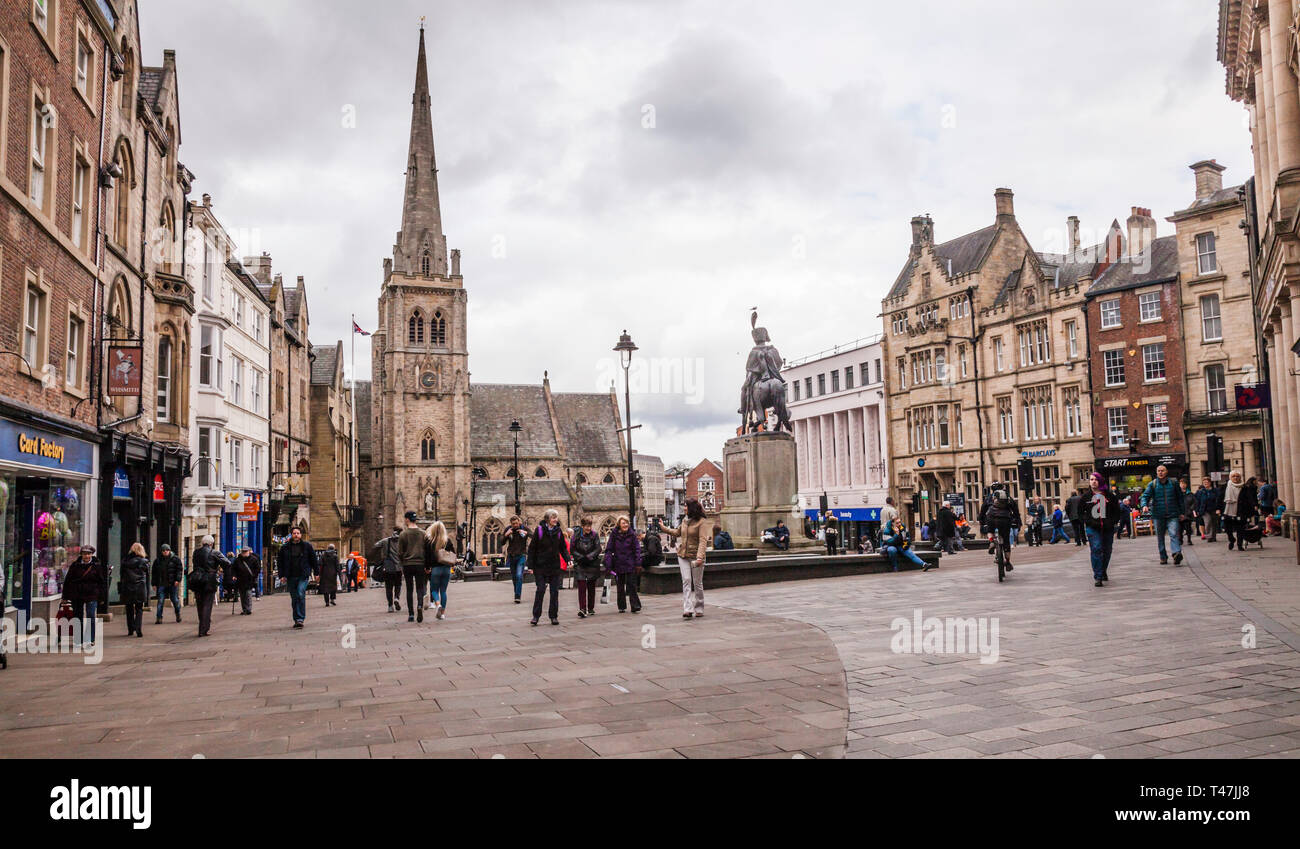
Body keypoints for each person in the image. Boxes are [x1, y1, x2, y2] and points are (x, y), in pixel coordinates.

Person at [661, 498, 709, 619]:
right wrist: (664, 528)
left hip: (696, 556)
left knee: (697, 583)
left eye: (686, 506)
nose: (684, 508)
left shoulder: (702, 522)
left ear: (692, 508)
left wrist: (699, 558)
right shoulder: (684, 520)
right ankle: (687, 609)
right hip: (683, 555)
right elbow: (677, 532)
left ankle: (699, 607)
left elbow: (703, 541)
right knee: (686, 580)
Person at [527, 508, 570, 625]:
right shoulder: (539, 531)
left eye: (556, 517)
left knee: (554, 592)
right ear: (547, 519)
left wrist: (568, 559)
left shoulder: (559, 531)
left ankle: (553, 616)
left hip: (554, 566)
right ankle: (536, 616)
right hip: (540, 566)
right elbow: (532, 549)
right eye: (553, 517)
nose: (555, 520)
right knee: (540, 590)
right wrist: (530, 566)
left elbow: (563, 548)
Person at [1140, 464, 1184, 566]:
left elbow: (1180, 499)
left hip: (1173, 514)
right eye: (1159, 471)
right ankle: (1163, 557)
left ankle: (1176, 553)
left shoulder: (1173, 483)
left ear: (1166, 472)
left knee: (1174, 534)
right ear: (1156, 472)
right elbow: (1144, 496)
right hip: (1158, 515)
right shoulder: (1153, 484)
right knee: (1160, 537)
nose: (1160, 472)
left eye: (1162, 470)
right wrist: (1144, 505)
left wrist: (1182, 512)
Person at [1084, 472, 1122, 587]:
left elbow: (1117, 511)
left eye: (1096, 479)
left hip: (1107, 527)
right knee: (1096, 548)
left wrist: (1112, 522)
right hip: (1093, 528)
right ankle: (1098, 576)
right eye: (1091, 479)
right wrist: (1088, 522)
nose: (1093, 481)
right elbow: (1081, 512)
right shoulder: (1086, 497)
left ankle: (1103, 569)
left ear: (1100, 481)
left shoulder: (1110, 496)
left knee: (1107, 550)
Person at [62, 545, 105, 646]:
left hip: (91, 594)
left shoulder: (96, 566)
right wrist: (65, 596)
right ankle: (78, 640)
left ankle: (90, 639)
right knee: (78, 617)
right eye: (85, 554)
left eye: (89, 554)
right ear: (81, 555)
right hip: (77, 594)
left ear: (91, 554)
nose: (87, 556)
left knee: (90, 615)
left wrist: (102, 597)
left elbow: (102, 582)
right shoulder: (75, 565)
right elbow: (67, 581)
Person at [275, 526, 318, 628]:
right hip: (291, 576)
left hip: (303, 575)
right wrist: (282, 575)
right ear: (291, 535)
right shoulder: (285, 547)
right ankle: (297, 620)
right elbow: (280, 562)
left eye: (298, 533)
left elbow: (314, 560)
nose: (296, 535)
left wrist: (316, 573)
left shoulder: (307, 546)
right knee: (294, 598)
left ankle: (300, 618)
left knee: (300, 593)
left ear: (301, 535)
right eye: (294, 533)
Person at [604, 515, 643, 614]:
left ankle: (635, 605)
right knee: (620, 586)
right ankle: (621, 606)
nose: (625, 525)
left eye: (626, 523)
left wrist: (638, 563)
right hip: (618, 563)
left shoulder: (632, 534)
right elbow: (609, 549)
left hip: (630, 563)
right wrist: (608, 564)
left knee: (631, 585)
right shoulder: (614, 535)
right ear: (619, 525)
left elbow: (637, 549)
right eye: (623, 523)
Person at [189, 536, 227, 638]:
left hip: (197, 579)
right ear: (211, 543)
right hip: (209, 580)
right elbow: (227, 562)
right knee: (207, 604)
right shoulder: (214, 552)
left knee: (200, 604)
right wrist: (218, 568)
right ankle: (203, 629)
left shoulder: (196, 552)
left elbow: (194, 563)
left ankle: (202, 626)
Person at [398, 511, 429, 622]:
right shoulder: (423, 533)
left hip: (407, 564)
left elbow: (400, 552)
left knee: (409, 589)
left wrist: (402, 563)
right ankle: (420, 606)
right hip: (420, 564)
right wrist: (427, 565)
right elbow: (427, 550)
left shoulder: (403, 534)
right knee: (420, 588)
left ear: (407, 519)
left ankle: (411, 614)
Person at [977, 488, 1019, 571]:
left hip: (992, 517)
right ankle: (1007, 562)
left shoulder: (990, 498)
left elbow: (982, 511)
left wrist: (981, 521)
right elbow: (1016, 512)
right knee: (1006, 541)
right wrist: (1016, 521)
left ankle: (992, 541)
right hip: (1005, 519)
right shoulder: (1009, 499)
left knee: (990, 530)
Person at [570, 517, 603, 618]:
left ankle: (591, 607)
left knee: (591, 586)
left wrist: (589, 556)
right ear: (582, 526)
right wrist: (580, 557)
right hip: (580, 563)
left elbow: (598, 548)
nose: (588, 528)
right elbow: (572, 549)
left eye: (590, 526)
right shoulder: (575, 536)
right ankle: (583, 608)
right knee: (582, 585)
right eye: (586, 526)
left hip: (592, 563)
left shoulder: (594, 535)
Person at [424, 520, 456, 620]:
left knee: (434, 590)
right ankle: (442, 614)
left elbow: (427, 556)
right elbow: (453, 553)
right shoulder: (448, 541)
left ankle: (437, 605)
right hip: (446, 568)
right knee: (443, 591)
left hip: (435, 569)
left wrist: (427, 567)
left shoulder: (430, 541)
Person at [119, 542, 150, 638]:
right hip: (140, 587)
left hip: (128, 587)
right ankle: (138, 628)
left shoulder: (125, 561)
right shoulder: (144, 561)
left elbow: (122, 575)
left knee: (129, 609)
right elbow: (147, 575)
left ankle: (130, 629)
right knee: (139, 608)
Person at [1223, 472, 1259, 552]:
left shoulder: (1245, 487)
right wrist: (1218, 509)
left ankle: (1239, 545)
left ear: (1240, 477)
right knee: (1227, 528)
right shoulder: (1225, 486)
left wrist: (1252, 509)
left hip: (1241, 511)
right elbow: (1220, 498)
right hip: (1228, 511)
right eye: (1233, 476)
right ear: (1230, 477)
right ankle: (1231, 539)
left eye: (1237, 476)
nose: (1235, 478)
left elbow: (1250, 499)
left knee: (1240, 529)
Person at [499, 515, 530, 605]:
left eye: (516, 523)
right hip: (511, 556)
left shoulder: (524, 528)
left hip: (521, 555)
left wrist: (526, 533)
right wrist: (506, 535)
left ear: (519, 522)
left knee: (519, 575)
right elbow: (501, 542)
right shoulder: (509, 529)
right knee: (514, 577)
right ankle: (517, 593)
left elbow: (533, 535)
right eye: (513, 524)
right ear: (511, 524)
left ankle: (517, 596)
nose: (515, 525)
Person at [372, 528, 403, 612]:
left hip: (388, 568)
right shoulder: (401, 542)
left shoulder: (385, 541)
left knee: (388, 587)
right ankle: (396, 598)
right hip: (398, 568)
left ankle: (390, 605)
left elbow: (375, 545)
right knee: (398, 585)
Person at [152, 542, 183, 624]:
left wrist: (177, 580)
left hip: (172, 583)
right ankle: (159, 618)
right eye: (163, 550)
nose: (165, 551)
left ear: (169, 550)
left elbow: (179, 570)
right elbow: (154, 573)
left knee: (175, 600)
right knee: (160, 601)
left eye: (167, 550)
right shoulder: (157, 561)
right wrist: (154, 584)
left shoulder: (176, 559)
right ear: (161, 551)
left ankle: (178, 614)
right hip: (161, 584)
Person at [231, 547, 259, 615]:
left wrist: (254, 576)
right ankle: (244, 609)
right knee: (242, 595)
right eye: (243, 552)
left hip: (249, 579)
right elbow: (233, 569)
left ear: (249, 552)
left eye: (245, 552)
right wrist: (234, 575)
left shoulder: (254, 559)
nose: (244, 553)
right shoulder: (237, 560)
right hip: (240, 580)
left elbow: (257, 568)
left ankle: (248, 609)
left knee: (248, 594)